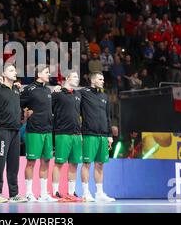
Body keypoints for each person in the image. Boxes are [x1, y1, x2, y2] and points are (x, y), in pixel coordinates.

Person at [0, 65, 28, 203]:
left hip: (15, 130)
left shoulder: (17, 90)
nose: (15, 72)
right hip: (3, 130)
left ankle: (14, 194)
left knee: (14, 164)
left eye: (15, 70)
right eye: (11, 70)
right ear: (4, 74)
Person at [21, 65, 57, 202]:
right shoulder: (29, 89)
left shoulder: (48, 90)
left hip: (48, 131)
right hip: (34, 131)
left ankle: (43, 194)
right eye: (47, 72)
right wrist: (24, 113)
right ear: (39, 74)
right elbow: (18, 103)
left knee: (46, 161)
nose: (49, 74)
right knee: (31, 162)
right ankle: (29, 193)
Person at [80, 72, 115, 202]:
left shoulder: (104, 96)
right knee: (87, 163)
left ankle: (99, 193)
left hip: (103, 135)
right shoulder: (83, 93)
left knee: (100, 164)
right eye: (100, 79)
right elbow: (71, 93)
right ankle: (85, 193)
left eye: (103, 79)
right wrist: (58, 89)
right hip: (89, 134)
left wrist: (109, 135)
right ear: (93, 80)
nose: (103, 81)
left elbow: (108, 117)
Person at [51, 72, 83, 202]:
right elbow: (49, 109)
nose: (77, 79)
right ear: (67, 78)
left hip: (76, 134)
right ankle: (55, 192)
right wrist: (54, 91)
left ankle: (71, 193)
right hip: (62, 133)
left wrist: (80, 133)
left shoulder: (78, 95)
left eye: (77, 77)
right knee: (59, 163)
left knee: (74, 164)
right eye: (74, 77)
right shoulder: (58, 93)